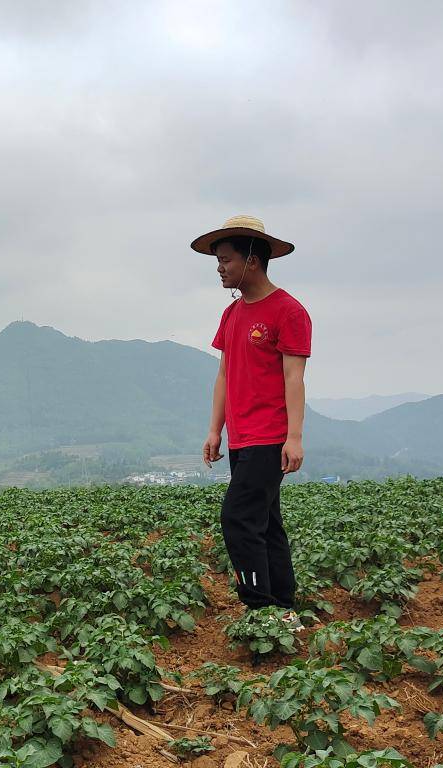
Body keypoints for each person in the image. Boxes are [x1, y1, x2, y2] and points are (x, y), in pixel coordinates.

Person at [193, 216, 311, 629]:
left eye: (226, 260)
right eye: (218, 261)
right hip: (242, 438)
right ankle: (284, 608)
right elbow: (225, 374)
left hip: (270, 436)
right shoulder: (232, 315)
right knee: (266, 523)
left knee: (238, 519)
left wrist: (293, 438)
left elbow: (294, 377)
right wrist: (215, 429)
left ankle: (259, 609)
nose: (220, 268)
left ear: (253, 261)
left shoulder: (289, 311)